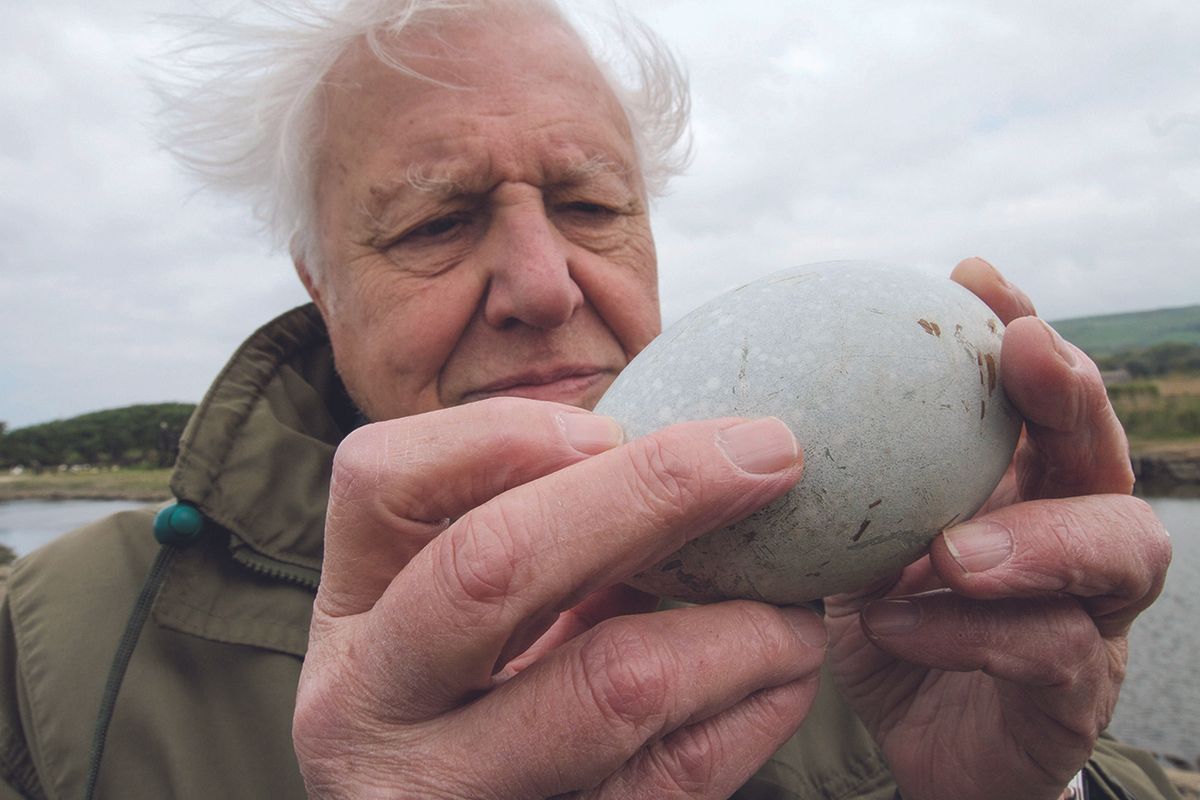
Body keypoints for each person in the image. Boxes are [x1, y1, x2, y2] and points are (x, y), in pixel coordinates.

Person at [0, 1, 1178, 798]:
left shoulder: (876, 583)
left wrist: (1032, 782)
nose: (543, 281)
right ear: (321, 282)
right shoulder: (61, 640)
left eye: (590, 204)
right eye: (437, 220)